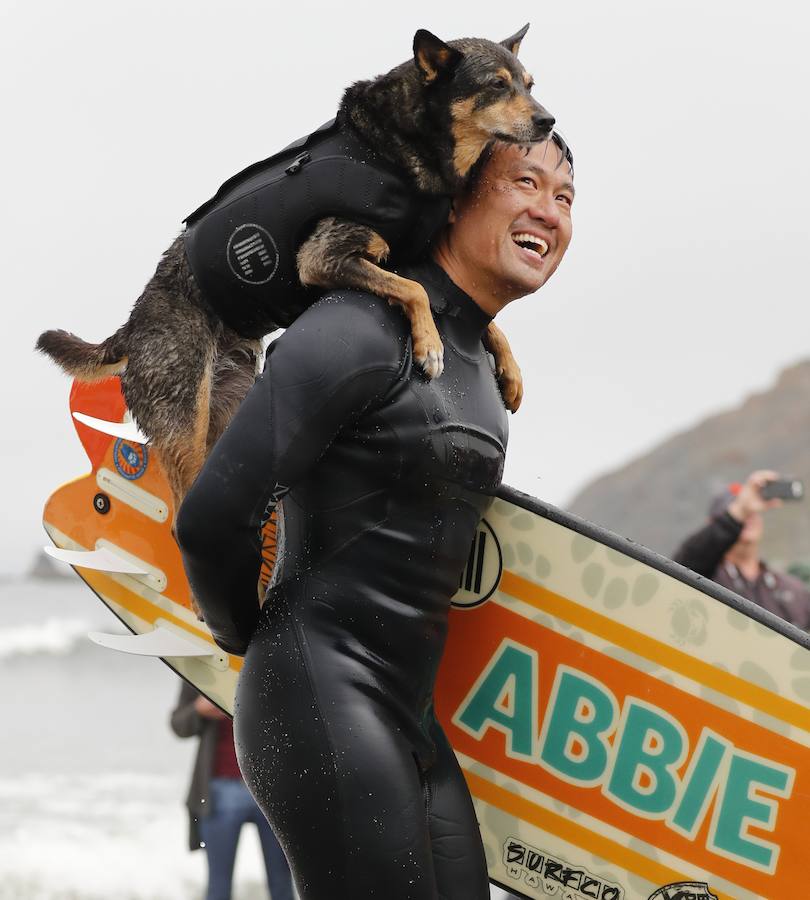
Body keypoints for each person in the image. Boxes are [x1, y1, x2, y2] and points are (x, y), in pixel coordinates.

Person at [176, 133, 574, 899]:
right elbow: (211, 519)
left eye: (564, 197)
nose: (548, 211)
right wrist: (246, 644)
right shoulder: (355, 330)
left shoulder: (482, 366)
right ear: (455, 196)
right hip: (320, 693)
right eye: (525, 182)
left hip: (408, 716)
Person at [170, 681, 295, 900]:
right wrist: (199, 709)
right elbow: (178, 725)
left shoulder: (275, 659)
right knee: (218, 888)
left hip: (274, 791)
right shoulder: (204, 663)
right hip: (220, 789)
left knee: (282, 885)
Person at [673, 469, 810, 629]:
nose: (749, 515)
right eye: (741, 511)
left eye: (754, 511)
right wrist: (741, 510)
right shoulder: (702, 578)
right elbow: (684, 564)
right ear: (714, 524)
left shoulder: (792, 588)